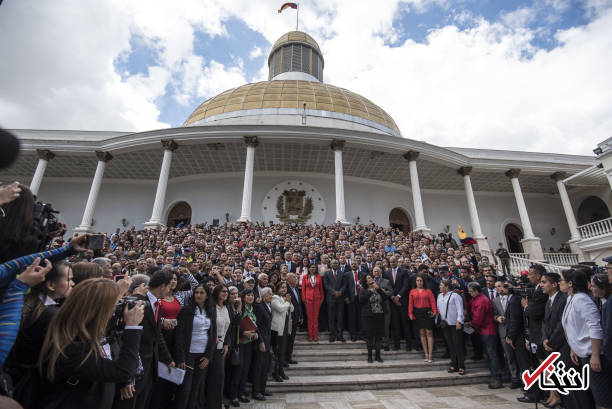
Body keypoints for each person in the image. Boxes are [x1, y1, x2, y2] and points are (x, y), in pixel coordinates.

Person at [35, 278, 145, 409]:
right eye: (114, 306)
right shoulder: (71, 348)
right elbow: (124, 371)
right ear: (98, 310)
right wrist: (132, 327)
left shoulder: (86, 332)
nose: (116, 311)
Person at [121, 270, 174, 409]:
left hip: (149, 366)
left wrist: (168, 359)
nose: (169, 290)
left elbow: (157, 334)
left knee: (142, 401)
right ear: (162, 286)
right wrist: (128, 377)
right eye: (169, 286)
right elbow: (128, 336)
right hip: (134, 366)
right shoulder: (139, 301)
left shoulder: (157, 304)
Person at [561, 268, 612, 409]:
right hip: (583, 353)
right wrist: (573, 347)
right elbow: (574, 327)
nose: (560, 283)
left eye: (562, 280)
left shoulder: (582, 300)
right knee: (595, 394)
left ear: (570, 283)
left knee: (603, 397)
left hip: (593, 354)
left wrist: (595, 355)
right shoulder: (572, 298)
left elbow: (595, 327)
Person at [173, 284, 215, 409]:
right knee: (185, 389)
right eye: (196, 292)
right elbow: (179, 335)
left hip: (202, 355)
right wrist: (180, 358)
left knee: (195, 389)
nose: (198, 295)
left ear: (207, 296)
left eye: (202, 293)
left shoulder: (210, 310)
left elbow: (213, 335)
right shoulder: (187, 310)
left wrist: (208, 356)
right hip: (188, 355)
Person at [540, 272, 569, 409]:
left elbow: (561, 324)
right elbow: (545, 323)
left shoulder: (563, 299)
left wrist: (551, 342)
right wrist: (545, 338)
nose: (541, 285)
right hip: (549, 343)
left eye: (544, 282)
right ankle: (555, 397)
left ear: (554, 284)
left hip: (561, 344)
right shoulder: (548, 300)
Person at [467, 282, 502, 389]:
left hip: (488, 330)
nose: (470, 293)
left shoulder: (482, 301)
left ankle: (496, 378)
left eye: (471, 292)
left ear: (477, 291)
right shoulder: (476, 299)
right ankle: (494, 376)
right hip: (483, 330)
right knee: (490, 355)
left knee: (492, 355)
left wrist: (469, 324)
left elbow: (478, 320)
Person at [206, 284, 233, 409]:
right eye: (223, 291)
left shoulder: (227, 307)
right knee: (213, 378)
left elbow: (229, 329)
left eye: (227, 291)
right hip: (210, 346)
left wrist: (227, 344)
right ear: (217, 293)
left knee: (219, 377)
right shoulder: (211, 307)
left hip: (222, 346)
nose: (225, 293)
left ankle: (218, 403)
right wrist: (212, 337)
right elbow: (207, 325)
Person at [229, 289, 258, 406]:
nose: (250, 297)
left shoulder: (254, 308)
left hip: (249, 342)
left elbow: (255, 323)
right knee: (238, 369)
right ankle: (233, 395)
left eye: (252, 295)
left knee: (245, 368)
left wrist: (256, 333)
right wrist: (242, 333)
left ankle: (241, 392)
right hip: (239, 342)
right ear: (243, 296)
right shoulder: (239, 306)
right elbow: (234, 324)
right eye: (248, 295)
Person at [492, 280, 520, 389]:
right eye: (496, 287)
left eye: (499, 286)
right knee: (509, 356)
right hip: (503, 330)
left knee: (519, 356)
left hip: (515, 330)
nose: (498, 289)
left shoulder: (513, 298)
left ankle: (523, 377)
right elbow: (494, 314)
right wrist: (498, 318)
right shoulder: (495, 301)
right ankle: (514, 378)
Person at [437, 279, 465, 375]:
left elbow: (460, 310)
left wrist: (459, 321)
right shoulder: (439, 296)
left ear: (447, 287)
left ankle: (461, 365)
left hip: (455, 324)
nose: (440, 287)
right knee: (450, 345)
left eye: (441, 285)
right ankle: (454, 364)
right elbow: (439, 309)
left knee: (458, 345)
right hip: (446, 324)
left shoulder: (455, 296)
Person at [408, 275, 438, 362]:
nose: (419, 282)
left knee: (429, 332)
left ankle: (430, 355)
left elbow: (432, 302)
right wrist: (410, 313)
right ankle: (426, 354)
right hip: (417, 312)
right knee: (421, 333)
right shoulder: (412, 291)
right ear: (415, 282)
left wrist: (435, 312)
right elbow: (410, 304)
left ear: (423, 282)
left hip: (427, 312)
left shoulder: (428, 291)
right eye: (417, 280)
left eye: (421, 280)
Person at [384, 256, 411, 351]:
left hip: (402, 301)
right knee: (395, 325)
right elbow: (387, 287)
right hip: (392, 303)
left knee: (405, 324)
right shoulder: (387, 273)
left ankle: (408, 345)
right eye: (390, 262)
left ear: (397, 262)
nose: (392, 264)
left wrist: (398, 296)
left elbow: (406, 285)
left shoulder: (404, 272)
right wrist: (392, 297)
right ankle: (397, 345)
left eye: (394, 262)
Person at [359, 274, 387, 363]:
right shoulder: (363, 290)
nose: (371, 279)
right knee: (370, 337)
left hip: (379, 315)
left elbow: (385, 298)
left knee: (379, 337)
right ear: (366, 281)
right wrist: (370, 291)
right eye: (368, 278)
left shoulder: (378, 289)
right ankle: (370, 356)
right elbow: (361, 300)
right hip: (368, 316)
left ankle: (378, 356)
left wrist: (378, 289)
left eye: (371, 277)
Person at [252, 287, 273, 401]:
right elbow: (257, 326)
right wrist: (260, 341)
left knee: (265, 366)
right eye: (270, 295)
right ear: (264, 296)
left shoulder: (267, 306)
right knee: (259, 367)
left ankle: (262, 388)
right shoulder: (259, 307)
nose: (271, 296)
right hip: (261, 341)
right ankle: (256, 391)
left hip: (268, 339)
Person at [270, 281, 293, 382]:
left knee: (282, 352)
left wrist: (288, 301)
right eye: (282, 287)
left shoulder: (284, 299)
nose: (284, 289)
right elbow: (280, 309)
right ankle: (276, 373)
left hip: (285, 328)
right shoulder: (274, 298)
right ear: (277, 288)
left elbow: (291, 309)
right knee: (276, 352)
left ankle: (281, 371)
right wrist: (287, 302)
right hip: (277, 329)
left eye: (285, 288)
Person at [322, 259, 347, 342]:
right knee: (331, 317)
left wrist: (340, 292)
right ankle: (332, 335)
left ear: (338, 264)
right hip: (331, 298)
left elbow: (345, 284)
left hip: (340, 298)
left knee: (340, 317)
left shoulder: (342, 273)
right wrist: (333, 292)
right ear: (330, 264)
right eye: (333, 263)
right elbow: (326, 285)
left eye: (336, 263)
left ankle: (340, 335)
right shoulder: (326, 273)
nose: (335, 264)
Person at [372, 266, 394, 350]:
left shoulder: (386, 281)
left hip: (385, 307)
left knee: (385, 327)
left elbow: (391, 292)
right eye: (375, 271)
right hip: (374, 308)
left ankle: (386, 344)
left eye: (378, 271)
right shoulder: (370, 282)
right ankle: (377, 344)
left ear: (380, 272)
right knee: (375, 327)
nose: (376, 273)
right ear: (373, 272)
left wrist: (384, 292)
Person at [302, 264, 324, 342]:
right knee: (310, 318)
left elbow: (321, 288)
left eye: (314, 267)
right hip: (308, 299)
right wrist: (304, 299)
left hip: (317, 299)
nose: (313, 268)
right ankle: (310, 335)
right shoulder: (305, 277)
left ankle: (315, 335)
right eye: (311, 267)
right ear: (309, 268)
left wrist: (322, 299)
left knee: (315, 317)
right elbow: (303, 289)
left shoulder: (319, 277)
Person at [285, 273, 302, 364]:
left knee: (291, 339)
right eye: (293, 277)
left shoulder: (295, 288)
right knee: (287, 339)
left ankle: (289, 357)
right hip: (289, 319)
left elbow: (299, 304)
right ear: (287, 279)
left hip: (296, 318)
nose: (296, 279)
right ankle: (284, 359)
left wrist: (301, 316)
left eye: (296, 277)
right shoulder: (286, 289)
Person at [345, 260, 362, 342]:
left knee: (360, 317)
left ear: (358, 265)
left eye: (355, 264)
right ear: (350, 265)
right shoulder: (347, 275)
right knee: (352, 317)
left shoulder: (363, 274)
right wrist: (346, 297)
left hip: (361, 299)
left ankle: (360, 334)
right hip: (351, 299)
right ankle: (353, 335)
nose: (354, 265)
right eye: (352, 264)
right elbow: (345, 287)